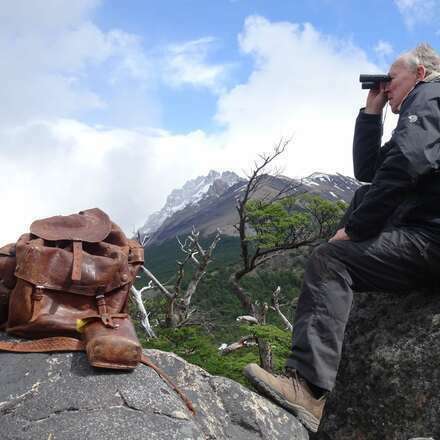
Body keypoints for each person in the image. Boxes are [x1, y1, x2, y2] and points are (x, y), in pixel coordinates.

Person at [244, 43, 440, 433]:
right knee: (363, 195)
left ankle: (308, 388)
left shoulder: (432, 94)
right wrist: (372, 111)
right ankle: (340, 315)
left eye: (391, 79)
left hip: (431, 240)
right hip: (427, 237)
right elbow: (370, 169)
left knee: (330, 259)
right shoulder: (421, 110)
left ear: (419, 75)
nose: (387, 87)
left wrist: (354, 233)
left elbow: (405, 164)